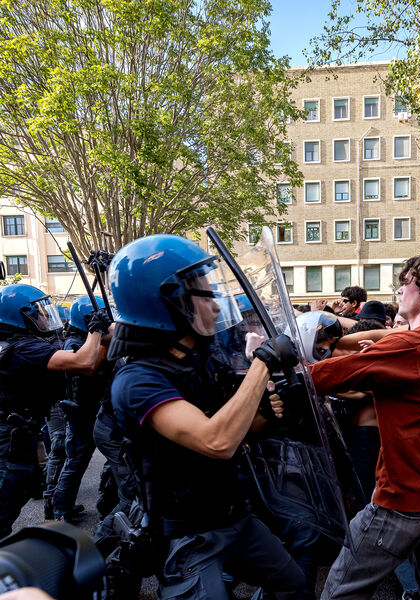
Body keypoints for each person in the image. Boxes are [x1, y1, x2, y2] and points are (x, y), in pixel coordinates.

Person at [106, 234, 306, 599]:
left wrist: (271, 413)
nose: (215, 303)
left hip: (233, 515)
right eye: (203, 290)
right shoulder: (137, 380)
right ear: (168, 301)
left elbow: (240, 430)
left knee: (293, 586)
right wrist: (264, 363)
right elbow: (217, 441)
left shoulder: (200, 363)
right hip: (188, 533)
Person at [309, 250, 420, 600]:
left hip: (405, 498)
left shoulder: (413, 342)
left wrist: (266, 362)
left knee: (339, 592)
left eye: (405, 283)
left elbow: (323, 376)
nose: (398, 291)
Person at [0, 284, 110, 538]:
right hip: (12, 438)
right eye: (37, 311)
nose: (44, 316)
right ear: (19, 315)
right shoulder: (24, 347)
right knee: (6, 501)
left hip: (16, 433)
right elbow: (82, 362)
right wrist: (95, 330)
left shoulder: (10, 343)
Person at [52, 296, 113, 522]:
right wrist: (103, 339)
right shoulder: (75, 342)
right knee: (76, 462)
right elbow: (88, 366)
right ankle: (61, 509)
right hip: (82, 410)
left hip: (96, 407)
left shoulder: (88, 338)